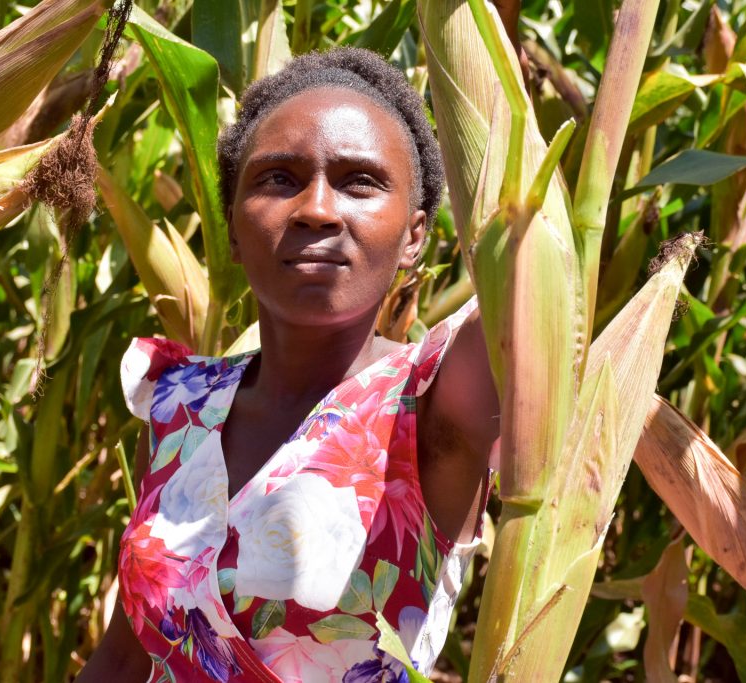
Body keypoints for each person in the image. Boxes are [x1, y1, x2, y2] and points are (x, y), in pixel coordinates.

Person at [79, 47, 499, 682]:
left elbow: (527, 272)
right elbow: (123, 656)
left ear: (415, 235)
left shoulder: (435, 401)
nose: (317, 209)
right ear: (233, 227)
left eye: (360, 181)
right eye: (278, 179)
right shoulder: (179, 408)